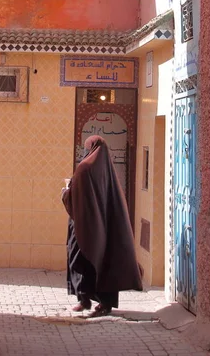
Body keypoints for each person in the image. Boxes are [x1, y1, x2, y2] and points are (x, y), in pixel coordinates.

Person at [61, 135, 143, 316]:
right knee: (104, 262)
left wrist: (66, 190)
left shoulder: (84, 169)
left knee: (79, 261)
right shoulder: (108, 171)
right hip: (104, 230)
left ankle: (84, 299)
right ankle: (102, 303)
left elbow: (74, 198)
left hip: (83, 228)